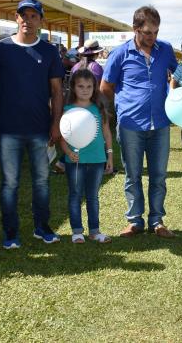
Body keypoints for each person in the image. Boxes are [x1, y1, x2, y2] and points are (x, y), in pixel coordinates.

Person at [0, 0, 64, 249]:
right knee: (10, 184)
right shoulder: (0, 49)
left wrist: (56, 123)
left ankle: (42, 228)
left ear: (40, 21)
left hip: (40, 129)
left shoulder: (50, 51)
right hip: (9, 129)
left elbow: (57, 91)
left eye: (33, 16)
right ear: (16, 18)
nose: (28, 21)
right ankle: (10, 233)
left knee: (41, 181)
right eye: (24, 15)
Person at [100, 5, 178, 238]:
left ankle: (157, 221)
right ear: (135, 29)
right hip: (130, 126)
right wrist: (117, 111)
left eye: (156, 32)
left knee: (159, 176)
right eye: (147, 32)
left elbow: (179, 75)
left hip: (161, 124)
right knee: (132, 175)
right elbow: (105, 88)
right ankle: (135, 221)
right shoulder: (119, 54)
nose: (152, 37)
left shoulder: (165, 50)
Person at [60, 69, 113, 244]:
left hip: (97, 158)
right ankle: (77, 231)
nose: (85, 90)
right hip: (75, 160)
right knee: (75, 195)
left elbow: (106, 132)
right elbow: (62, 137)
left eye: (89, 86)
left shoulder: (98, 108)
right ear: (73, 87)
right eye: (80, 86)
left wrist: (109, 155)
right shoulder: (68, 110)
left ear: (94, 88)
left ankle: (94, 231)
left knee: (93, 196)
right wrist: (68, 153)